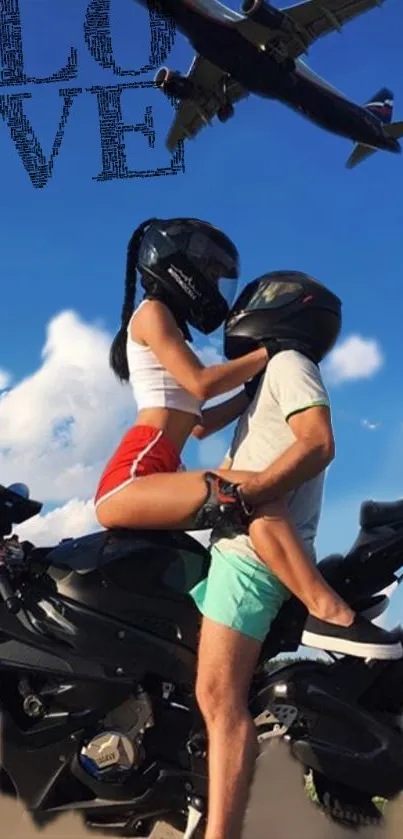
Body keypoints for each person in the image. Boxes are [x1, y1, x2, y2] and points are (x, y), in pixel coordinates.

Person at [94, 224, 397, 657]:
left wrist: (248, 396)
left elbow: (199, 424)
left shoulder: (170, 329)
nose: (216, 279)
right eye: (211, 268)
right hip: (136, 469)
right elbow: (200, 385)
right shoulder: (153, 312)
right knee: (254, 490)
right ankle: (326, 611)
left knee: (249, 495)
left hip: (160, 465)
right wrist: (267, 354)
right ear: (178, 263)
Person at [191, 271, 402, 839]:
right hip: (239, 548)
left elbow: (318, 442)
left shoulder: (291, 365)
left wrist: (247, 493)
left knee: (218, 699)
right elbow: (197, 417)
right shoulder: (271, 375)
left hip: (253, 554)